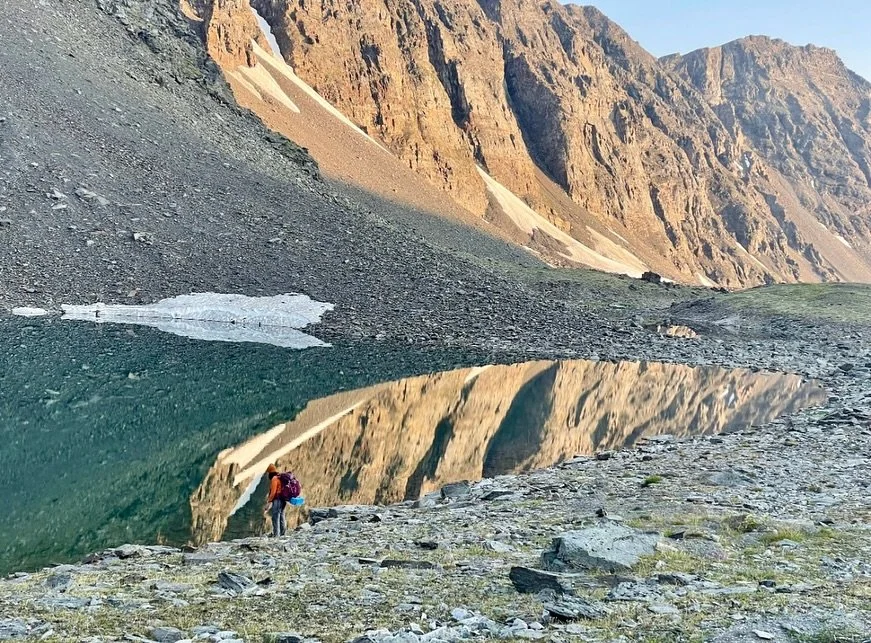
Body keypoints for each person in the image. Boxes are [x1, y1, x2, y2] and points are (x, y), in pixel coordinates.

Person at [264, 464, 286, 537]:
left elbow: (273, 492)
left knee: (275, 517)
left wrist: (269, 501)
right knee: (282, 516)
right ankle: (283, 533)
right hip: (283, 500)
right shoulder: (280, 477)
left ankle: (276, 535)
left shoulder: (274, 479)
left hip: (277, 500)